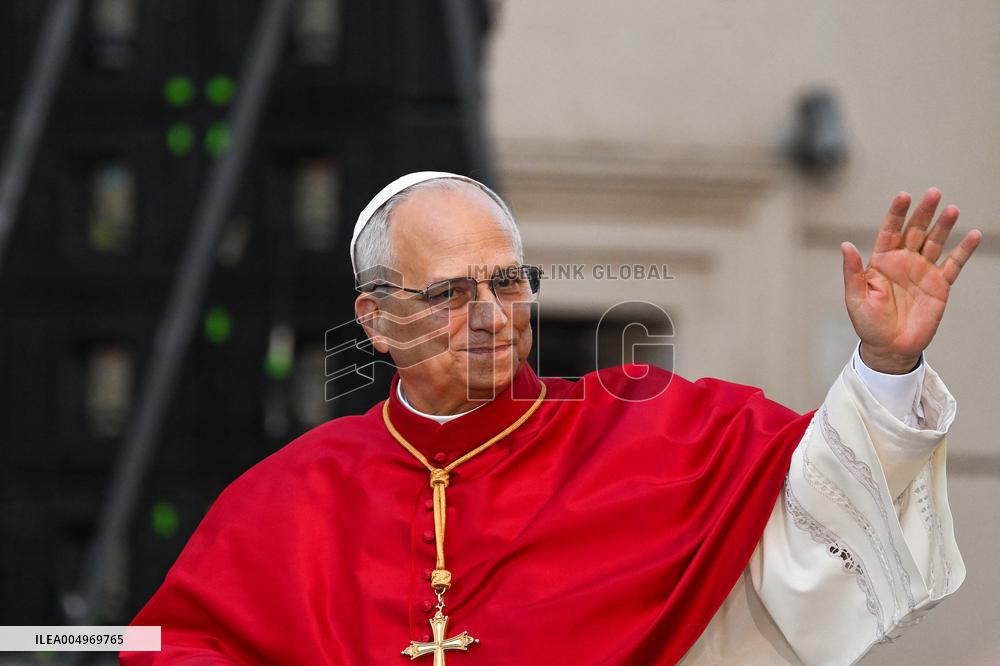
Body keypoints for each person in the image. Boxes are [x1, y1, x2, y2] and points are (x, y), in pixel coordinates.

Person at [121, 171, 981, 665]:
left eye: (507, 282)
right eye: (453, 294)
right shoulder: (289, 498)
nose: (494, 317)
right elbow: (178, 646)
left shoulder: (650, 432)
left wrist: (886, 363)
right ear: (375, 321)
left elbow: (822, 492)